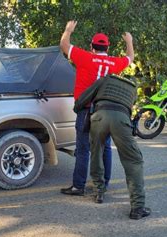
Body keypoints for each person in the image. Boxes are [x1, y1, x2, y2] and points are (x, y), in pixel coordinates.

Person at [59, 20, 134, 196]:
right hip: (105, 111)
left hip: (85, 110)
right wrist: (129, 41)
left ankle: (78, 186)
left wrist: (68, 30)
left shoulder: (84, 57)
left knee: (83, 148)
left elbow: (64, 44)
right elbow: (130, 58)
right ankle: (104, 184)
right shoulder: (114, 63)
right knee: (105, 147)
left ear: (92, 46)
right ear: (107, 48)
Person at [74, 74, 151, 220]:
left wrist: (77, 107)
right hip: (121, 120)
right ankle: (137, 208)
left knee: (96, 154)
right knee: (133, 161)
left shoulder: (105, 79)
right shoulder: (133, 88)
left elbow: (83, 99)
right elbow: (129, 108)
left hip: (99, 117)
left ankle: (99, 193)